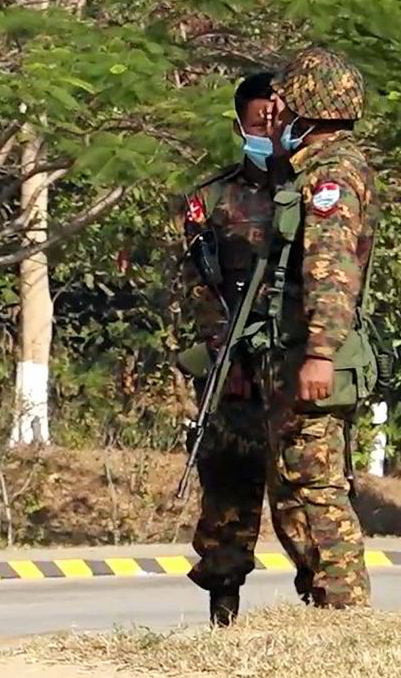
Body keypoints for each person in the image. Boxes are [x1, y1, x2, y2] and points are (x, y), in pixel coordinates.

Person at [257, 47, 376, 609]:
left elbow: (331, 267)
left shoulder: (332, 176)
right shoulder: (310, 168)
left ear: (308, 106)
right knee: (291, 481)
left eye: (284, 100)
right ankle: (322, 597)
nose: (275, 110)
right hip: (295, 349)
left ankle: (345, 606)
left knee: (317, 481)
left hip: (317, 351)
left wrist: (320, 352)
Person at [176, 72, 277, 625]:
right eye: (258, 122)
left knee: (308, 489)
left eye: (277, 120)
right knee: (228, 484)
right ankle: (224, 604)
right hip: (234, 361)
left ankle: (328, 604)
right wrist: (225, 352)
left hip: (294, 359)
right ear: (240, 125)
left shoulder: (315, 193)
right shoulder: (211, 198)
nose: (269, 131)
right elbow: (200, 287)